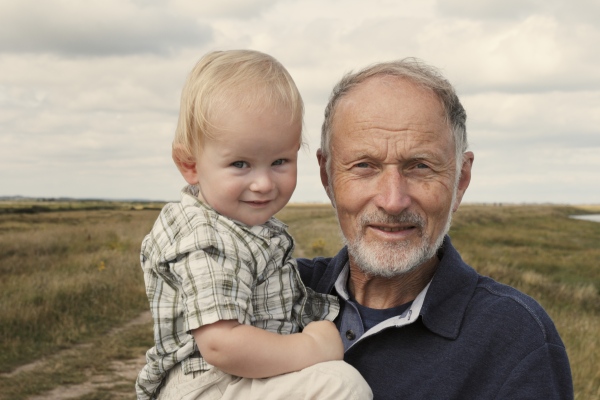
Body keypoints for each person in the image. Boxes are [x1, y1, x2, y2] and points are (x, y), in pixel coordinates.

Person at [297, 58, 574, 399]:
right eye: (365, 166)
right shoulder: (269, 290)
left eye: (420, 166)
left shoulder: (515, 337)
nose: (393, 200)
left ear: (461, 179)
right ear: (327, 176)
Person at [135, 50, 372, 400]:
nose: (263, 183)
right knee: (341, 385)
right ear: (190, 165)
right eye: (240, 164)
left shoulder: (243, 226)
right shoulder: (206, 237)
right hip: (211, 383)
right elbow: (221, 345)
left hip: (233, 378)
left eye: (279, 161)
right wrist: (310, 348)